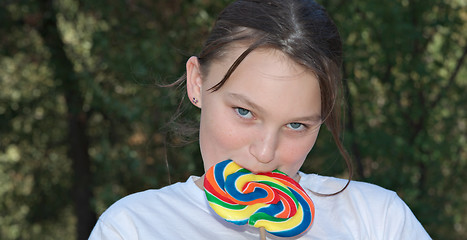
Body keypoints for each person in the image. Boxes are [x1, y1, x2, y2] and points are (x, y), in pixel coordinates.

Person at [89, 0, 431, 239]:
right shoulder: (132, 228)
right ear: (197, 83)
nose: (266, 153)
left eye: (297, 125)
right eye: (244, 112)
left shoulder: (378, 220)